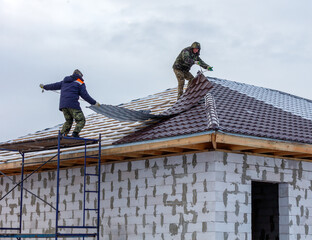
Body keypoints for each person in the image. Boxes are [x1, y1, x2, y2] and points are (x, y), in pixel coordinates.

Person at [40, 69, 100, 138]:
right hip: (73, 104)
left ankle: (62, 134)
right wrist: (94, 103)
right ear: (80, 75)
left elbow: (54, 86)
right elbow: (85, 95)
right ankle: (75, 134)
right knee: (81, 120)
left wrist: (44, 87)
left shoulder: (64, 82)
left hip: (63, 105)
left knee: (68, 121)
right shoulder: (80, 82)